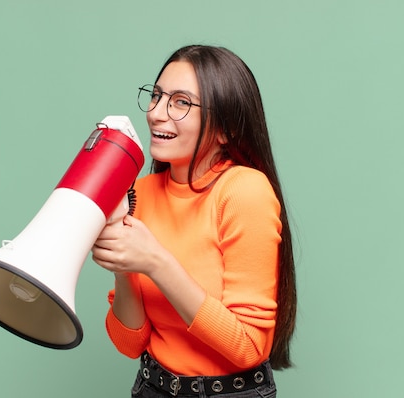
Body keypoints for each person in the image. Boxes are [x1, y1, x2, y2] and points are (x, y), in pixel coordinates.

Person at [91, 44, 297, 398]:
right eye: (156, 96)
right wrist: (124, 268)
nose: (156, 113)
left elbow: (249, 347)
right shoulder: (139, 192)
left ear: (226, 129)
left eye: (181, 102)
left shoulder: (243, 191)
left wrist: (155, 262)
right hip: (152, 387)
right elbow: (129, 343)